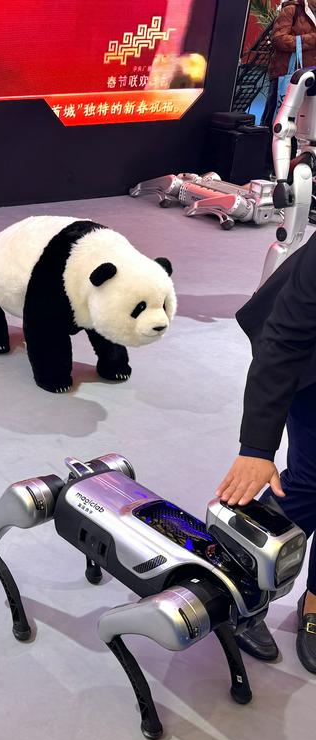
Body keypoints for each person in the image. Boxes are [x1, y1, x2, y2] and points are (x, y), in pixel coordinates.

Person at [216, 231, 316, 673]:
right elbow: (287, 336)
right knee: (310, 482)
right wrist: (257, 448)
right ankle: (238, 589)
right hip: (308, 349)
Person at [265, 1, 316, 126]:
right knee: (278, 121)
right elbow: (278, 39)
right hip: (288, 74)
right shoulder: (292, 9)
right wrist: (312, 39)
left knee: (304, 123)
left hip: (311, 78)